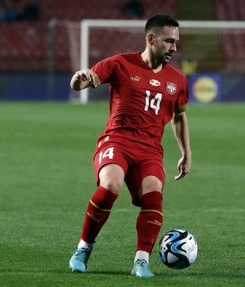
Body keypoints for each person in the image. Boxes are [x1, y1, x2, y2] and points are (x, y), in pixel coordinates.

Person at [68, 14, 192, 278]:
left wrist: (186, 153)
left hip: (149, 150)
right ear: (151, 38)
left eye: (176, 42)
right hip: (117, 141)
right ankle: (83, 248)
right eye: (169, 41)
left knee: (153, 193)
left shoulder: (178, 80)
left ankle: (141, 260)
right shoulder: (120, 63)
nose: (174, 48)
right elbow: (82, 82)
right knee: (110, 185)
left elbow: (179, 116)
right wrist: (79, 78)